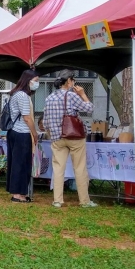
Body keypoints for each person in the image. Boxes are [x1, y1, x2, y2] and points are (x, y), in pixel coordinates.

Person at [43, 69, 97, 208]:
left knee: (58, 169)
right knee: (79, 168)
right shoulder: (72, 96)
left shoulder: (49, 98)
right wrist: (83, 94)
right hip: (74, 137)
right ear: (69, 81)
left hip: (56, 138)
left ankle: (57, 200)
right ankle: (84, 201)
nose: (74, 83)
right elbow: (89, 108)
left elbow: (45, 122)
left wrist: (52, 132)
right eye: (73, 80)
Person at [6, 70, 39, 202]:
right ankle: (18, 194)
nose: (37, 84)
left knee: (18, 163)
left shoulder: (16, 94)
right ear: (28, 80)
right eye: (36, 81)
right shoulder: (23, 95)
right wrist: (35, 133)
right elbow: (27, 118)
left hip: (15, 132)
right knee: (21, 164)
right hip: (21, 133)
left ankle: (19, 192)